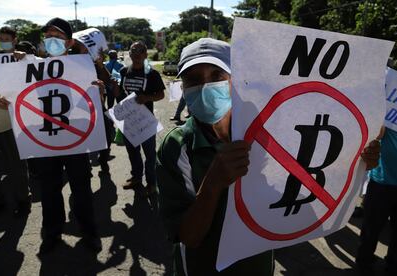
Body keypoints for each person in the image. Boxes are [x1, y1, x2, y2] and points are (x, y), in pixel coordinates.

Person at [156, 37, 382, 276]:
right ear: (182, 87)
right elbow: (189, 237)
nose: (206, 86)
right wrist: (212, 185)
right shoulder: (176, 146)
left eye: (216, 76)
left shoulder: (268, 133)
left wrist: (355, 162)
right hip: (201, 268)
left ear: (235, 81)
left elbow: (305, 186)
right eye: (193, 79)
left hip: (259, 265)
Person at [0, 18, 101, 254]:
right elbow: (18, 94)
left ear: (70, 42)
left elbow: (91, 104)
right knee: (49, 190)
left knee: (81, 189)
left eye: (58, 36)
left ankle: (89, 233)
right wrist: (8, 101)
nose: (52, 41)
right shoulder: (31, 66)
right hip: (45, 141)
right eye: (48, 36)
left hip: (76, 140)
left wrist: (98, 93)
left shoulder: (83, 68)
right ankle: (52, 233)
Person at [0, 27, 31, 218]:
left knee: (16, 165)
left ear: (14, 40)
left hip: (10, 123)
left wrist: (25, 59)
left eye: (7, 39)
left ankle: (22, 199)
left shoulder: (18, 59)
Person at [117, 41, 165, 196]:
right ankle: (136, 178)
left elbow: (161, 94)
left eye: (140, 52)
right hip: (128, 121)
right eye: (133, 52)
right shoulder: (124, 71)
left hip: (146, 121)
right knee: (133, 152)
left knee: (150, 155)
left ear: (145, 55)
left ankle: (152, 184)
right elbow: (120, 94)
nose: (137, 55)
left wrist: (147, 98)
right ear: (129, 55)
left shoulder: (152, 74)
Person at [356, 126, 397, 275]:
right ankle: (364, 264)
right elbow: (376, 133)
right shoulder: (392, 106)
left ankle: (394, 265)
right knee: (370, 230)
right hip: (381, 182)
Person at [71, 28, 113, 174]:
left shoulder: (95, 62)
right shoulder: (69, 61)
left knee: (108, 133)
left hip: (98, 105)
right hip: (78, 107)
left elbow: (108, 80)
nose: (84, 47)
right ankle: (85, 167)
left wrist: (100, 65)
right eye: (81, 45)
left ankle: (103, 160)